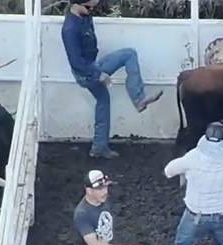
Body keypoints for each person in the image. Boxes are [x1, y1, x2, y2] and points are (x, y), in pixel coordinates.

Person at [61, 0, 163, 159]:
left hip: (93, 65)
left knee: (128, 55)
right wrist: (97, 75)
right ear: (76, 5)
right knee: (103, 99)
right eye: (88, 7)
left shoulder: (84, 16)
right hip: (85, 73)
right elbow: (76, 62)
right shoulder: (69, 29)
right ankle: (100, 146)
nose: (91, 10)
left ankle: (138, 100)